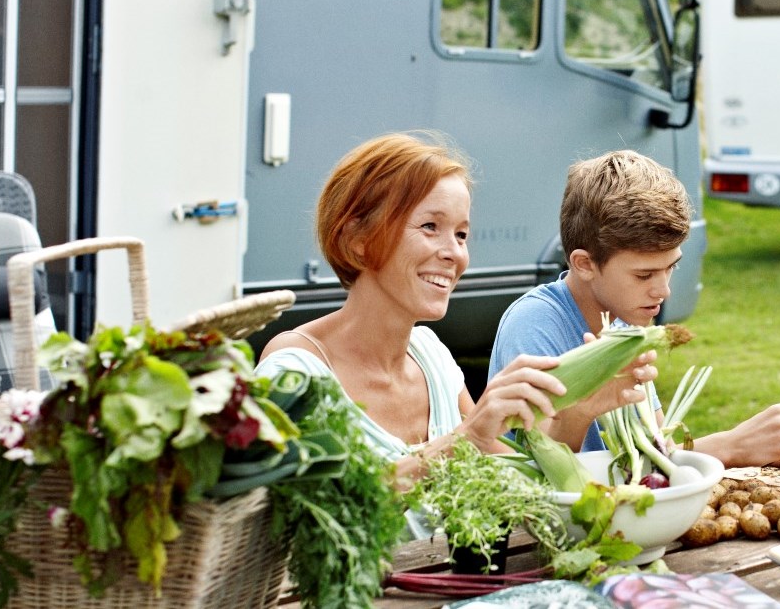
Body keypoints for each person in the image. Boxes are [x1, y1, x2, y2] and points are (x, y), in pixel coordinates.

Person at [255, 132, 655, 483]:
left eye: (461, 233)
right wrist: (465, 440)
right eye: (430, 226)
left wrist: (576, 413)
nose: (455, 254)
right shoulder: (296, 372)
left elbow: (523, 493)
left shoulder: (431, 357)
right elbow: (305, 527)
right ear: (357, 240)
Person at [490, 150, 780, 468]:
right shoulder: (535, 326)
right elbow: (546, 475)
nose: (664, 290)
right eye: (644, 274)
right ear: (584, 264)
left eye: (672, 267)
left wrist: (763, 446)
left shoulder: (623, 326)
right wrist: (731, 446)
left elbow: (653, 457)